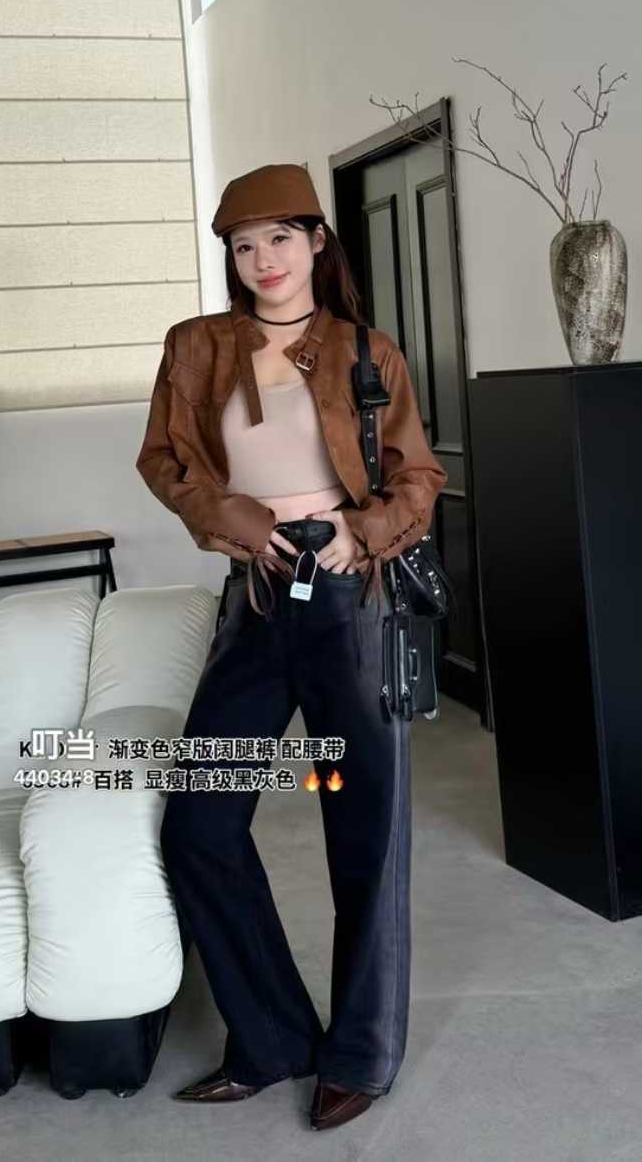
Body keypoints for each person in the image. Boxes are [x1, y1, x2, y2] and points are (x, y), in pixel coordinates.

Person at [135, 163, 448, 1132]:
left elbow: (417, 474)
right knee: (199, 822)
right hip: (259, 595)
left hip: (351, 597)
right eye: (242, 244)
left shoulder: (366, 351)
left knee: (365, 831)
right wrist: (234, 519)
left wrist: (366, 530)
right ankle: (270, 1037)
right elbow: (165, 459)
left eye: (278, 237)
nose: (261, 258)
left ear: (315, 241)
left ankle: (358, 1053)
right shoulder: (196, 347)